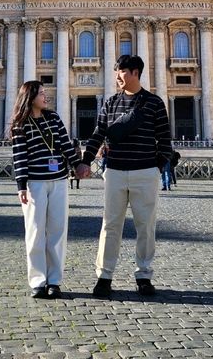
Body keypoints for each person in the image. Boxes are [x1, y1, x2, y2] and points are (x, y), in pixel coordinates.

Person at [78, 55, 173, 298]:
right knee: (110, 225)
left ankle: (144, 275)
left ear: (134, 72)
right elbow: (98, 134)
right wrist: (85, 160)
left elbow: (164, 139)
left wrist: (157, 167)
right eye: (116, 72)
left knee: (145, 226)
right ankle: (104, 276)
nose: (117, 76)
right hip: (116, 172)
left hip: (145, 173)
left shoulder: (154, 103)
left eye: (120, 71)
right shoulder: (110, 103)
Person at [10, 81, 84, 299]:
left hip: (59, 180)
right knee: (34, 233)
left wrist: (77, 165)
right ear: (30, 96)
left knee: (57, 232)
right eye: (42, 93)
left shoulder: (54, 119)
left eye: (45, 92)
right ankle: (37, 281)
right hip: (35, 183)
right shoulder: (20, 124)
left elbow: (65, 145)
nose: (46, 96)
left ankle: (54, 281)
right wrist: (21, 185)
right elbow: (19, 156)